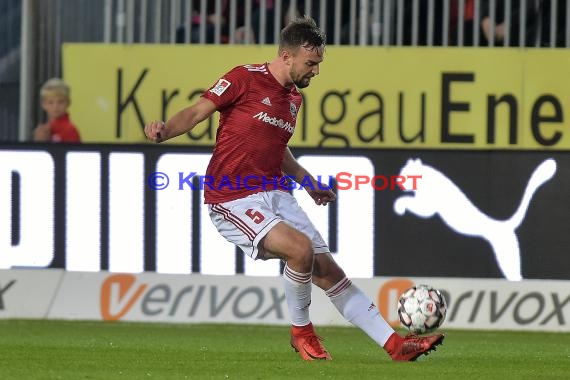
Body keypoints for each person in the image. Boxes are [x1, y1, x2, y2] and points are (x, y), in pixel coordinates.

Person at [145, 16, 443, 362]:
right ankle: (301, 332)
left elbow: (277, 147)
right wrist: (165, 130)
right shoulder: (244, 78)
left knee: (329, 271)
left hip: (276, 193)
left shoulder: (293, 100)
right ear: (287, 56)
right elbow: (198, 112)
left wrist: (307, 180)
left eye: (318, 64)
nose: (316, 71)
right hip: (232, 196)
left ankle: (396, 347)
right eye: (311, 63)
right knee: (299, 250)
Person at [33, 78, 81, 143]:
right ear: (43, 104)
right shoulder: (43, 129)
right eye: (50, 102)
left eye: (60, 102)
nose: (55, 106)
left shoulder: (70, 129)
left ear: (68, 103)